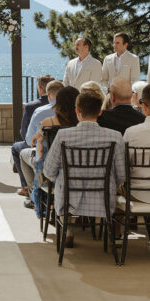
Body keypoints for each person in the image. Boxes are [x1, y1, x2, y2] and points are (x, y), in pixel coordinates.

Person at [43, 91, 125, 248]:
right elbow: (122, 174)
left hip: (68, 200)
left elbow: (49, 170)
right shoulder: (115, 136)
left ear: (77, 111)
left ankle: (68, 230)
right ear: (100, 112)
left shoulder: (63, 135)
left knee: (60, 178)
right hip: (103, 199)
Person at [19, 80, 64, 201]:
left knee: (22, 153)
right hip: (67, 163)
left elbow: (29, 140)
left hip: (46, 161)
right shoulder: (72, 115)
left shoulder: (40, 112)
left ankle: (32, 195)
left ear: (48, 95)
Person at [12, 74, 53, 196]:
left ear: (40, 88)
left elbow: (25, 133)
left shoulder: (31, 107)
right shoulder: (64, 107)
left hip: (36, 146)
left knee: (16, 148)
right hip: (56, 146)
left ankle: (26, 186)